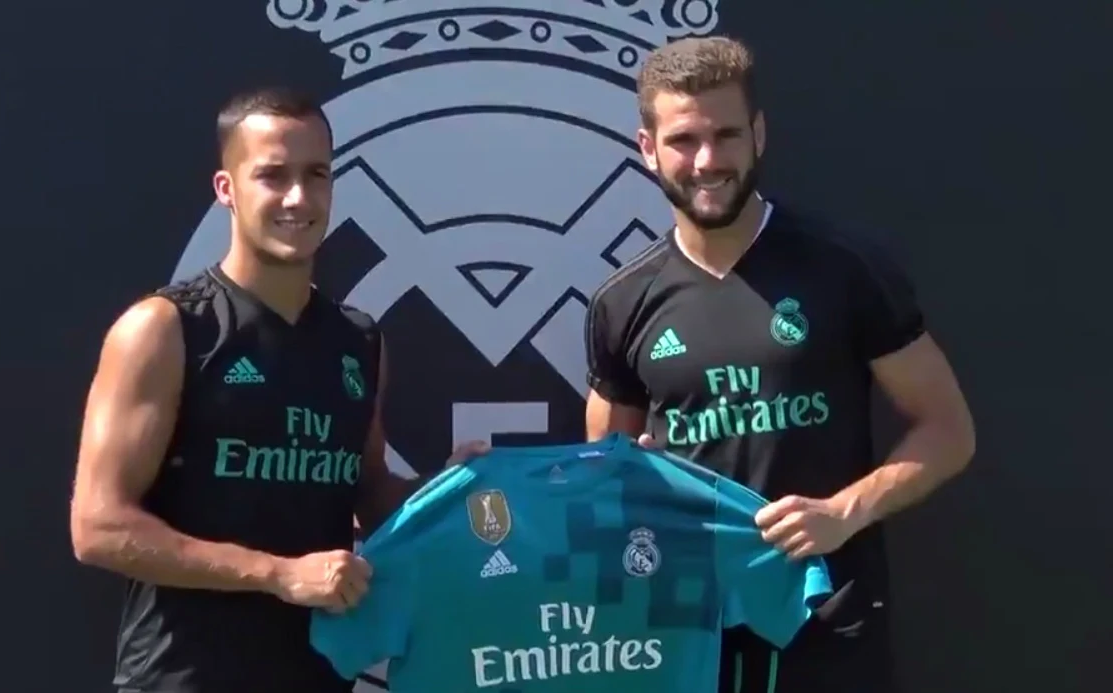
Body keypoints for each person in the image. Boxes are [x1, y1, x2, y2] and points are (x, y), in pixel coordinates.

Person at [584, 37, 975, 693]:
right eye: (683, 140)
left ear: (758, 134)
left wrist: (843, 511)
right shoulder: (621, 303)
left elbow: (949, 431)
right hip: (686, 629)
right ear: (647, 148)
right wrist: (631, 481)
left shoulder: (845, 266)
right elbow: (603, 470)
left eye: (726, 134)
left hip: (827, 623)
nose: (708, 160)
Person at [69, 86, 488, 693]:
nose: (298, 197)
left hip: (316, 674)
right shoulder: (165, 330)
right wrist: (277, 574)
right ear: (226, 190)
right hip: (183, 678)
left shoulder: (358, 340)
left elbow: (367, 489)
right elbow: (99, 528)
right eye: (272, 176)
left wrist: (452, 494)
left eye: (315, 174)